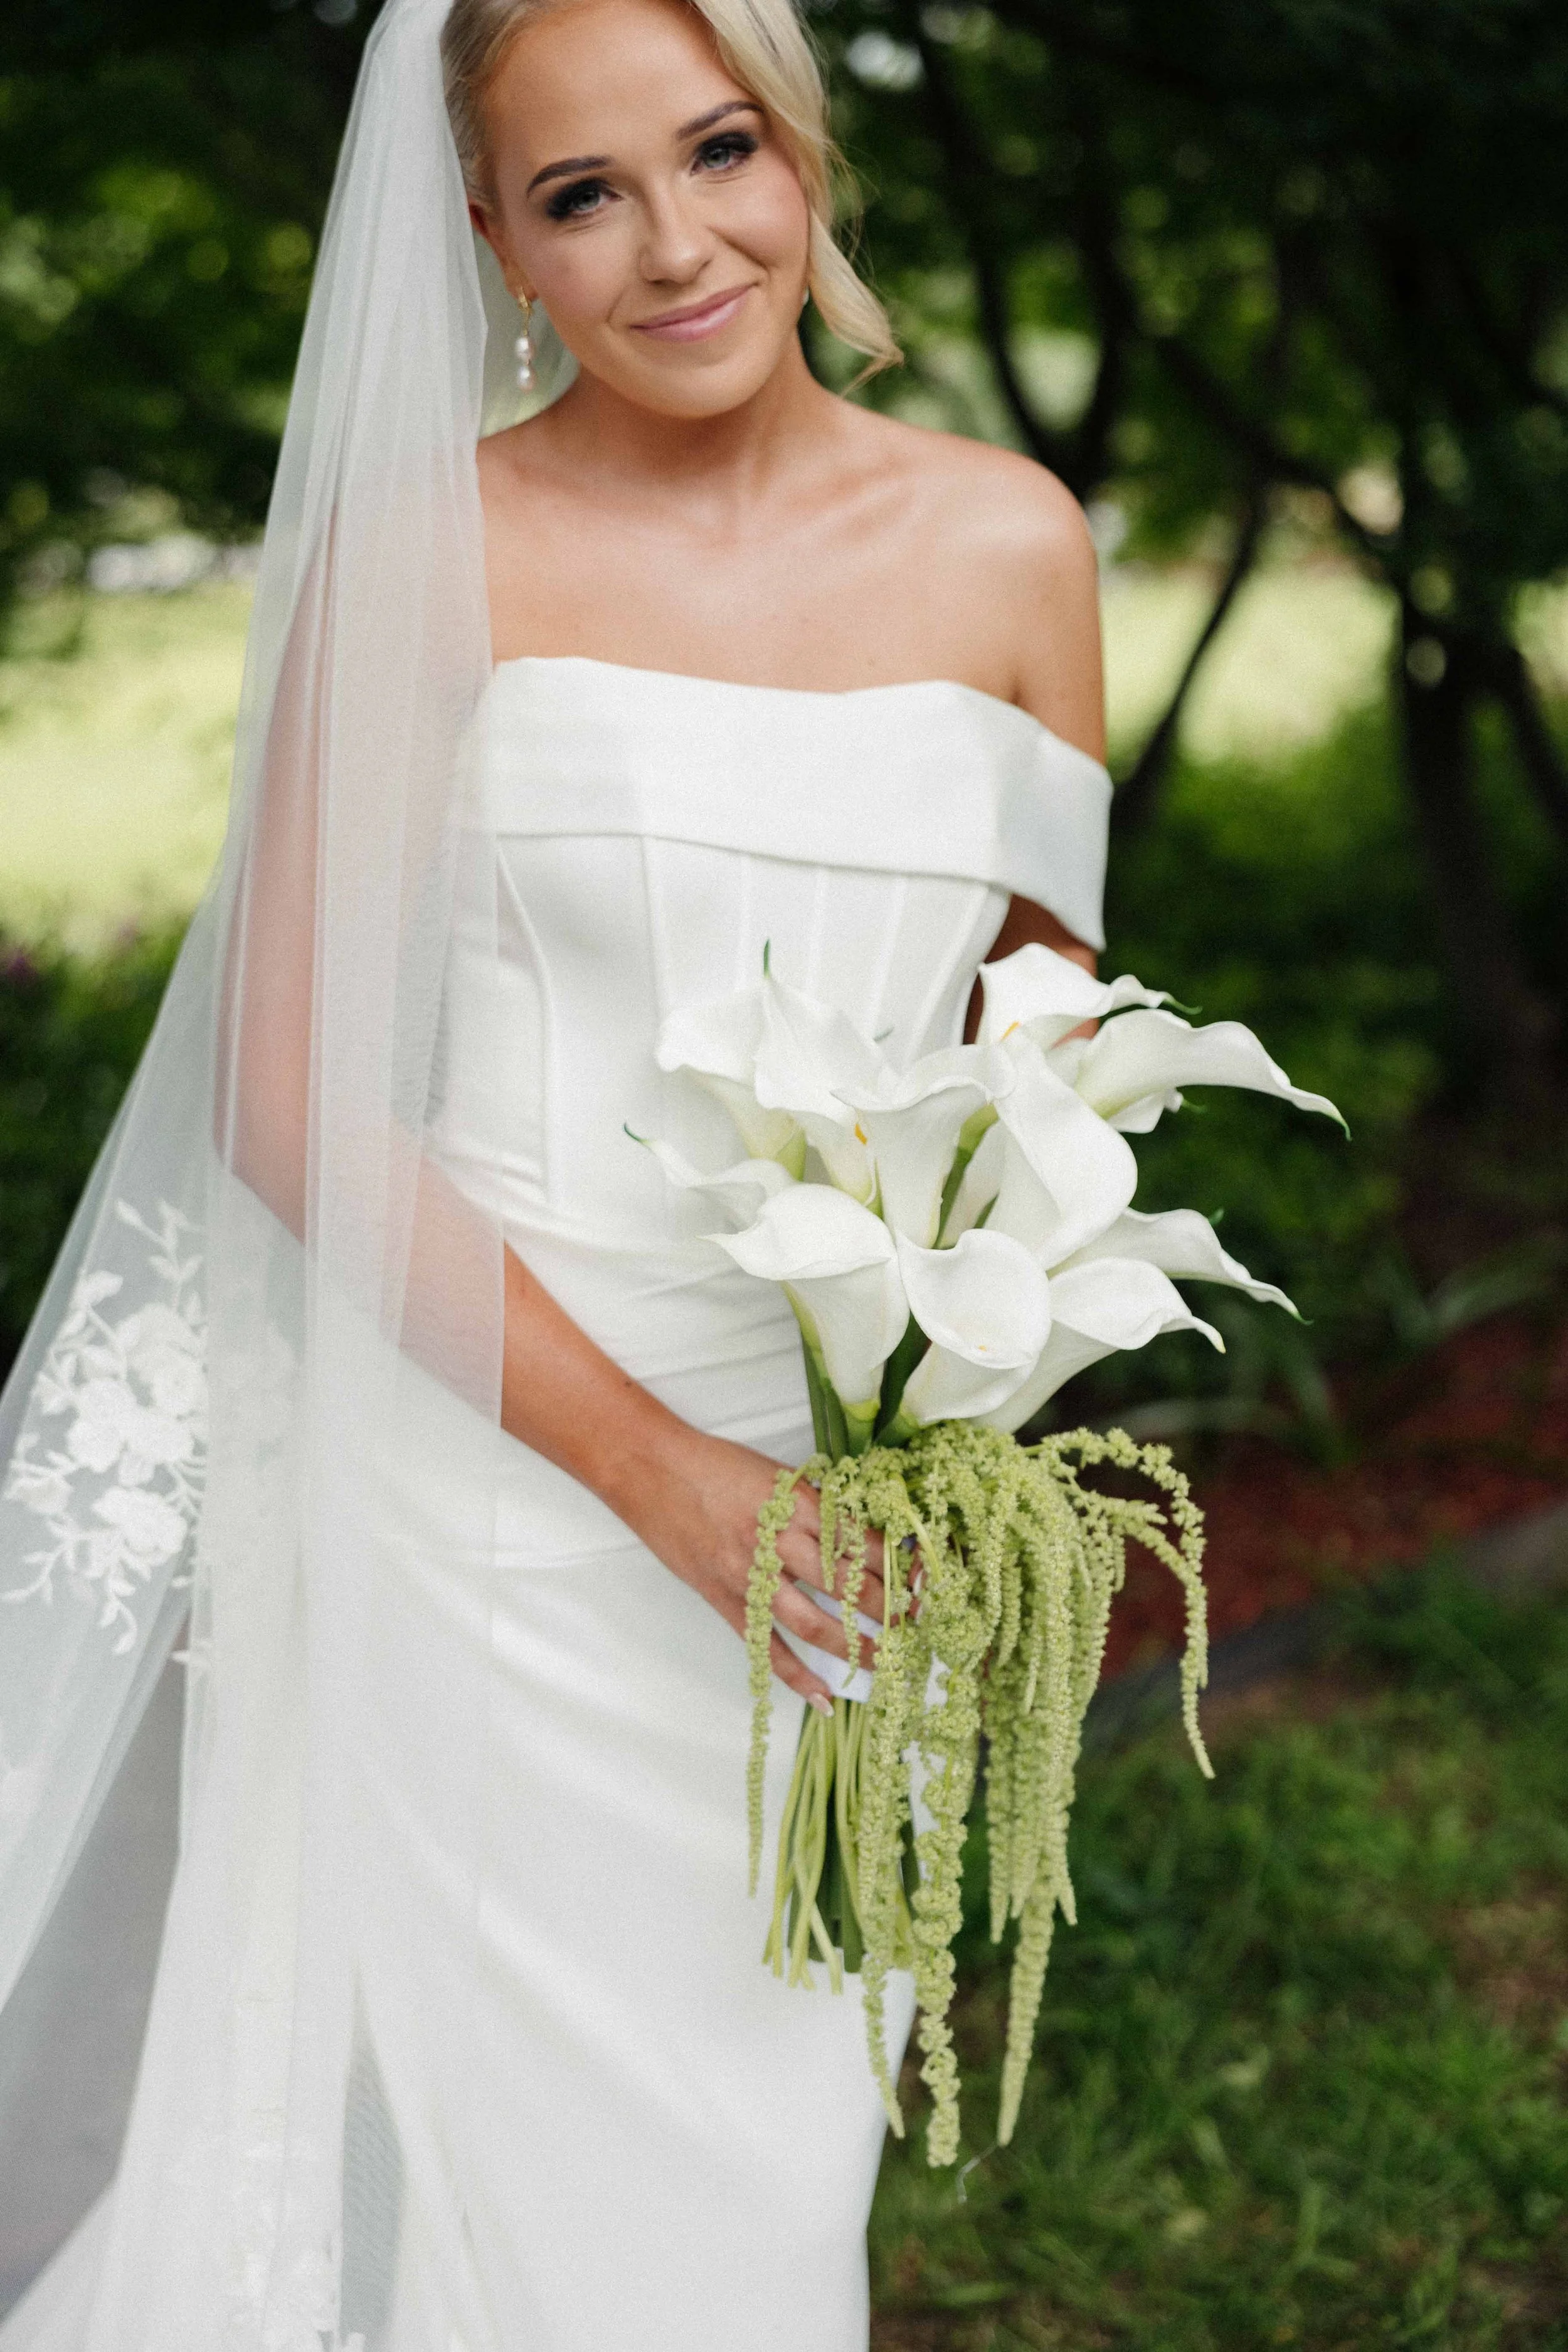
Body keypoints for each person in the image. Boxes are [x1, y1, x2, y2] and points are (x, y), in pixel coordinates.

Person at [0, 0, 1109, 2341]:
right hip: (500, 1481)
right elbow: (289, 1082)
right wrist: (665, 1475)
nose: (675, 245)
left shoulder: (1013, 542)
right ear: (491, 239)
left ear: (801, 153)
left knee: (763, 2188)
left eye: (719, 151)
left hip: (845, 1522)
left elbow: (1045, 1042)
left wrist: (962, 1461)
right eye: (582, 194)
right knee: (515, 2192)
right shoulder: (439, 543)